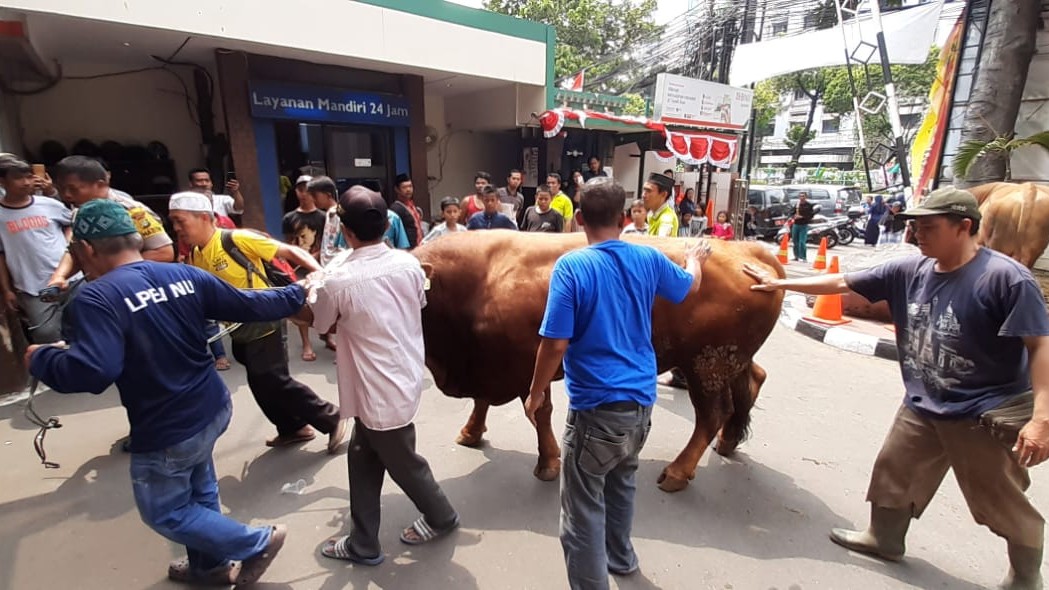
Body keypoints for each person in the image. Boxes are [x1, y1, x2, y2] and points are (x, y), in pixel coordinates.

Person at [743, 186, 1049, 590]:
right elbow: (842, 281)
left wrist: (1041, 418)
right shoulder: (911, 271)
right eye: (915, 226)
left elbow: (1040, 344)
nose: (916, 234)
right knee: (894, 471)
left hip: (981, 410)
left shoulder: (1005, 279)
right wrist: (780, 284)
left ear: (964, 227)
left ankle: (1026, 576)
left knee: (1000, 501)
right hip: (923, 402)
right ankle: (884, 538)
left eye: (929, 227)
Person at [26, 199, 297, 586]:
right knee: (199, 492)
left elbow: (92, 372)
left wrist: (40, 359)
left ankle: (256, 543)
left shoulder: (96, 298)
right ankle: (211, 567)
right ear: (135, 239)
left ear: (85, 248)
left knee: (165, 511)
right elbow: (250, 303)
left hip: (169, 427)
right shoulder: (183, 275)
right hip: (211, 408)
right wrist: (300, 292)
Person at [523, 178, 709, 590]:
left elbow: (554, 343)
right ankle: (621, 560)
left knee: (581, 513)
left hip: (597, 411)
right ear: (625, 217)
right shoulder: (647, 258)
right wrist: (695, 257)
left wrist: (536, 392)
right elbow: (689, 285)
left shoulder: (573, 266)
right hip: (641, 407)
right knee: (622, 484)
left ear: (580, 218)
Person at [309, 186, 460, 565]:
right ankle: (363, 541)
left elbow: (322, 322)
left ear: (346, 230)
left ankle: (442, 516)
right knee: (362, 455)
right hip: (400, 376)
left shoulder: (339, 279)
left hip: (379, 390)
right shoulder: (407, 263)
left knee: (403, 462)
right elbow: (417, 301)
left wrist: (320, 285)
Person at [169, 191, 346, 451]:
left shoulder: (236, 238)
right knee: (260, 383)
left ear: (205, 217)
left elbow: (291, 251)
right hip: (237, 327)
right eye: (172, 221)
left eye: (180, 220)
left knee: (272, 378)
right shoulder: (196, 255)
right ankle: (293, 428)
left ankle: (331, 418)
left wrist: (319, 273)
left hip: (265, 318)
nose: (175, 228)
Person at [46, 156, 175, 293]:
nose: (67, 195)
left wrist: (112, 271)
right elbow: (74, 249)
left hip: (139, 288)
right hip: (103, 289)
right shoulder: (79, 211)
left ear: (100, 184)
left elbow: (164, 253)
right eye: (61, 189)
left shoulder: (131, 210)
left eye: (73, 189)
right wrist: (59, 277)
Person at [0, 157, 79, 344]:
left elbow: (72, 225)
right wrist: (6, 290)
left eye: (28, 177)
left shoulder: (49, 204)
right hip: (33, 287)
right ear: (2, 182)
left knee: (82, 326)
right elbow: (1, 255)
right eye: (19, 179)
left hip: (72, 279)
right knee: (46, 335)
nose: (27, 183)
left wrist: (69, 245)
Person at [282, 176, 327, 363]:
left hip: (319, 264)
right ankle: (306, 343)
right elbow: (287, 243)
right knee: (301, 302)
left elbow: (327, 243)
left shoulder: (324, 217)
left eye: (308, 190)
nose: (304, 194)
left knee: (324, 299)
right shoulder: (290, 218)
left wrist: (315, 257)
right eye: (300, 189)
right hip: (297, 268)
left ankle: (327, 336)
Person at [307, 176, 346, 267]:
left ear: (328, 195)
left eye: (315, 196)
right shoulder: (328, 214)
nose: (313, 200)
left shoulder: (340, 215)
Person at [391, 173, 423, 248]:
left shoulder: (412, 206)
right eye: (404, 187)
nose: (408, 190)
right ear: (397, 189)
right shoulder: (396, 209)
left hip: (418, 247)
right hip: (406, 249)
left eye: (410, 186)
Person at [642, 173, 678, 238]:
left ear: (664, 194)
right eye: (644, 190)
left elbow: (660, 244)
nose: (643, 195)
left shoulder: (667, 219)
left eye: (649, 191)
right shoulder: (651, 214)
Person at [790, 192, 815, 262]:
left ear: (806, 197)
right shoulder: (797, 204)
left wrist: (802, 217)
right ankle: (796, 256)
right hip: (796, 224)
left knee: (802, 242)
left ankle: (803, 257)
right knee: (795, 241)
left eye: (803, 196)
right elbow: (791, 212)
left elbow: (811, 215)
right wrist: (793, 217)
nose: (801, 198)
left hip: (804, 225)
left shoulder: (809, 205)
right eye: (800, 196)